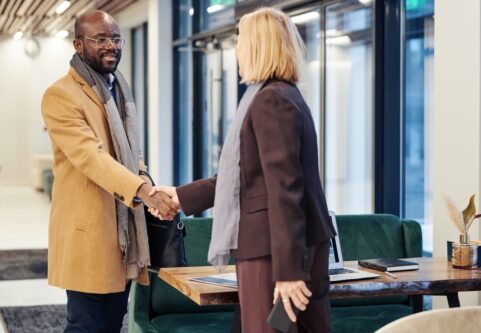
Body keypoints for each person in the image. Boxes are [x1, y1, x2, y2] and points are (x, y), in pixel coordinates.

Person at [150, 7, 335, 333]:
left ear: (258, 46)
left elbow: (285, 188)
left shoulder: (270, 101)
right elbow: (249, 177)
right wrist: (179, 196)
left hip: (272, 251)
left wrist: (288, 270)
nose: (237, 49)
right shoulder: (282, 96)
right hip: (282, 246)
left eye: (241, 40)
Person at [41, 10, 178, 333]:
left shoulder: (119, 90)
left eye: (115, 38)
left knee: (113, 323)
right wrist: (144, 192)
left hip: (125, 233)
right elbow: (90, 157)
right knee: (85, 325)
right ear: (78, 44)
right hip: (89, 234)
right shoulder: (60, 95)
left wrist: (147, 183)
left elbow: (134, 155)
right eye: (100, 39)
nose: (111, 46)